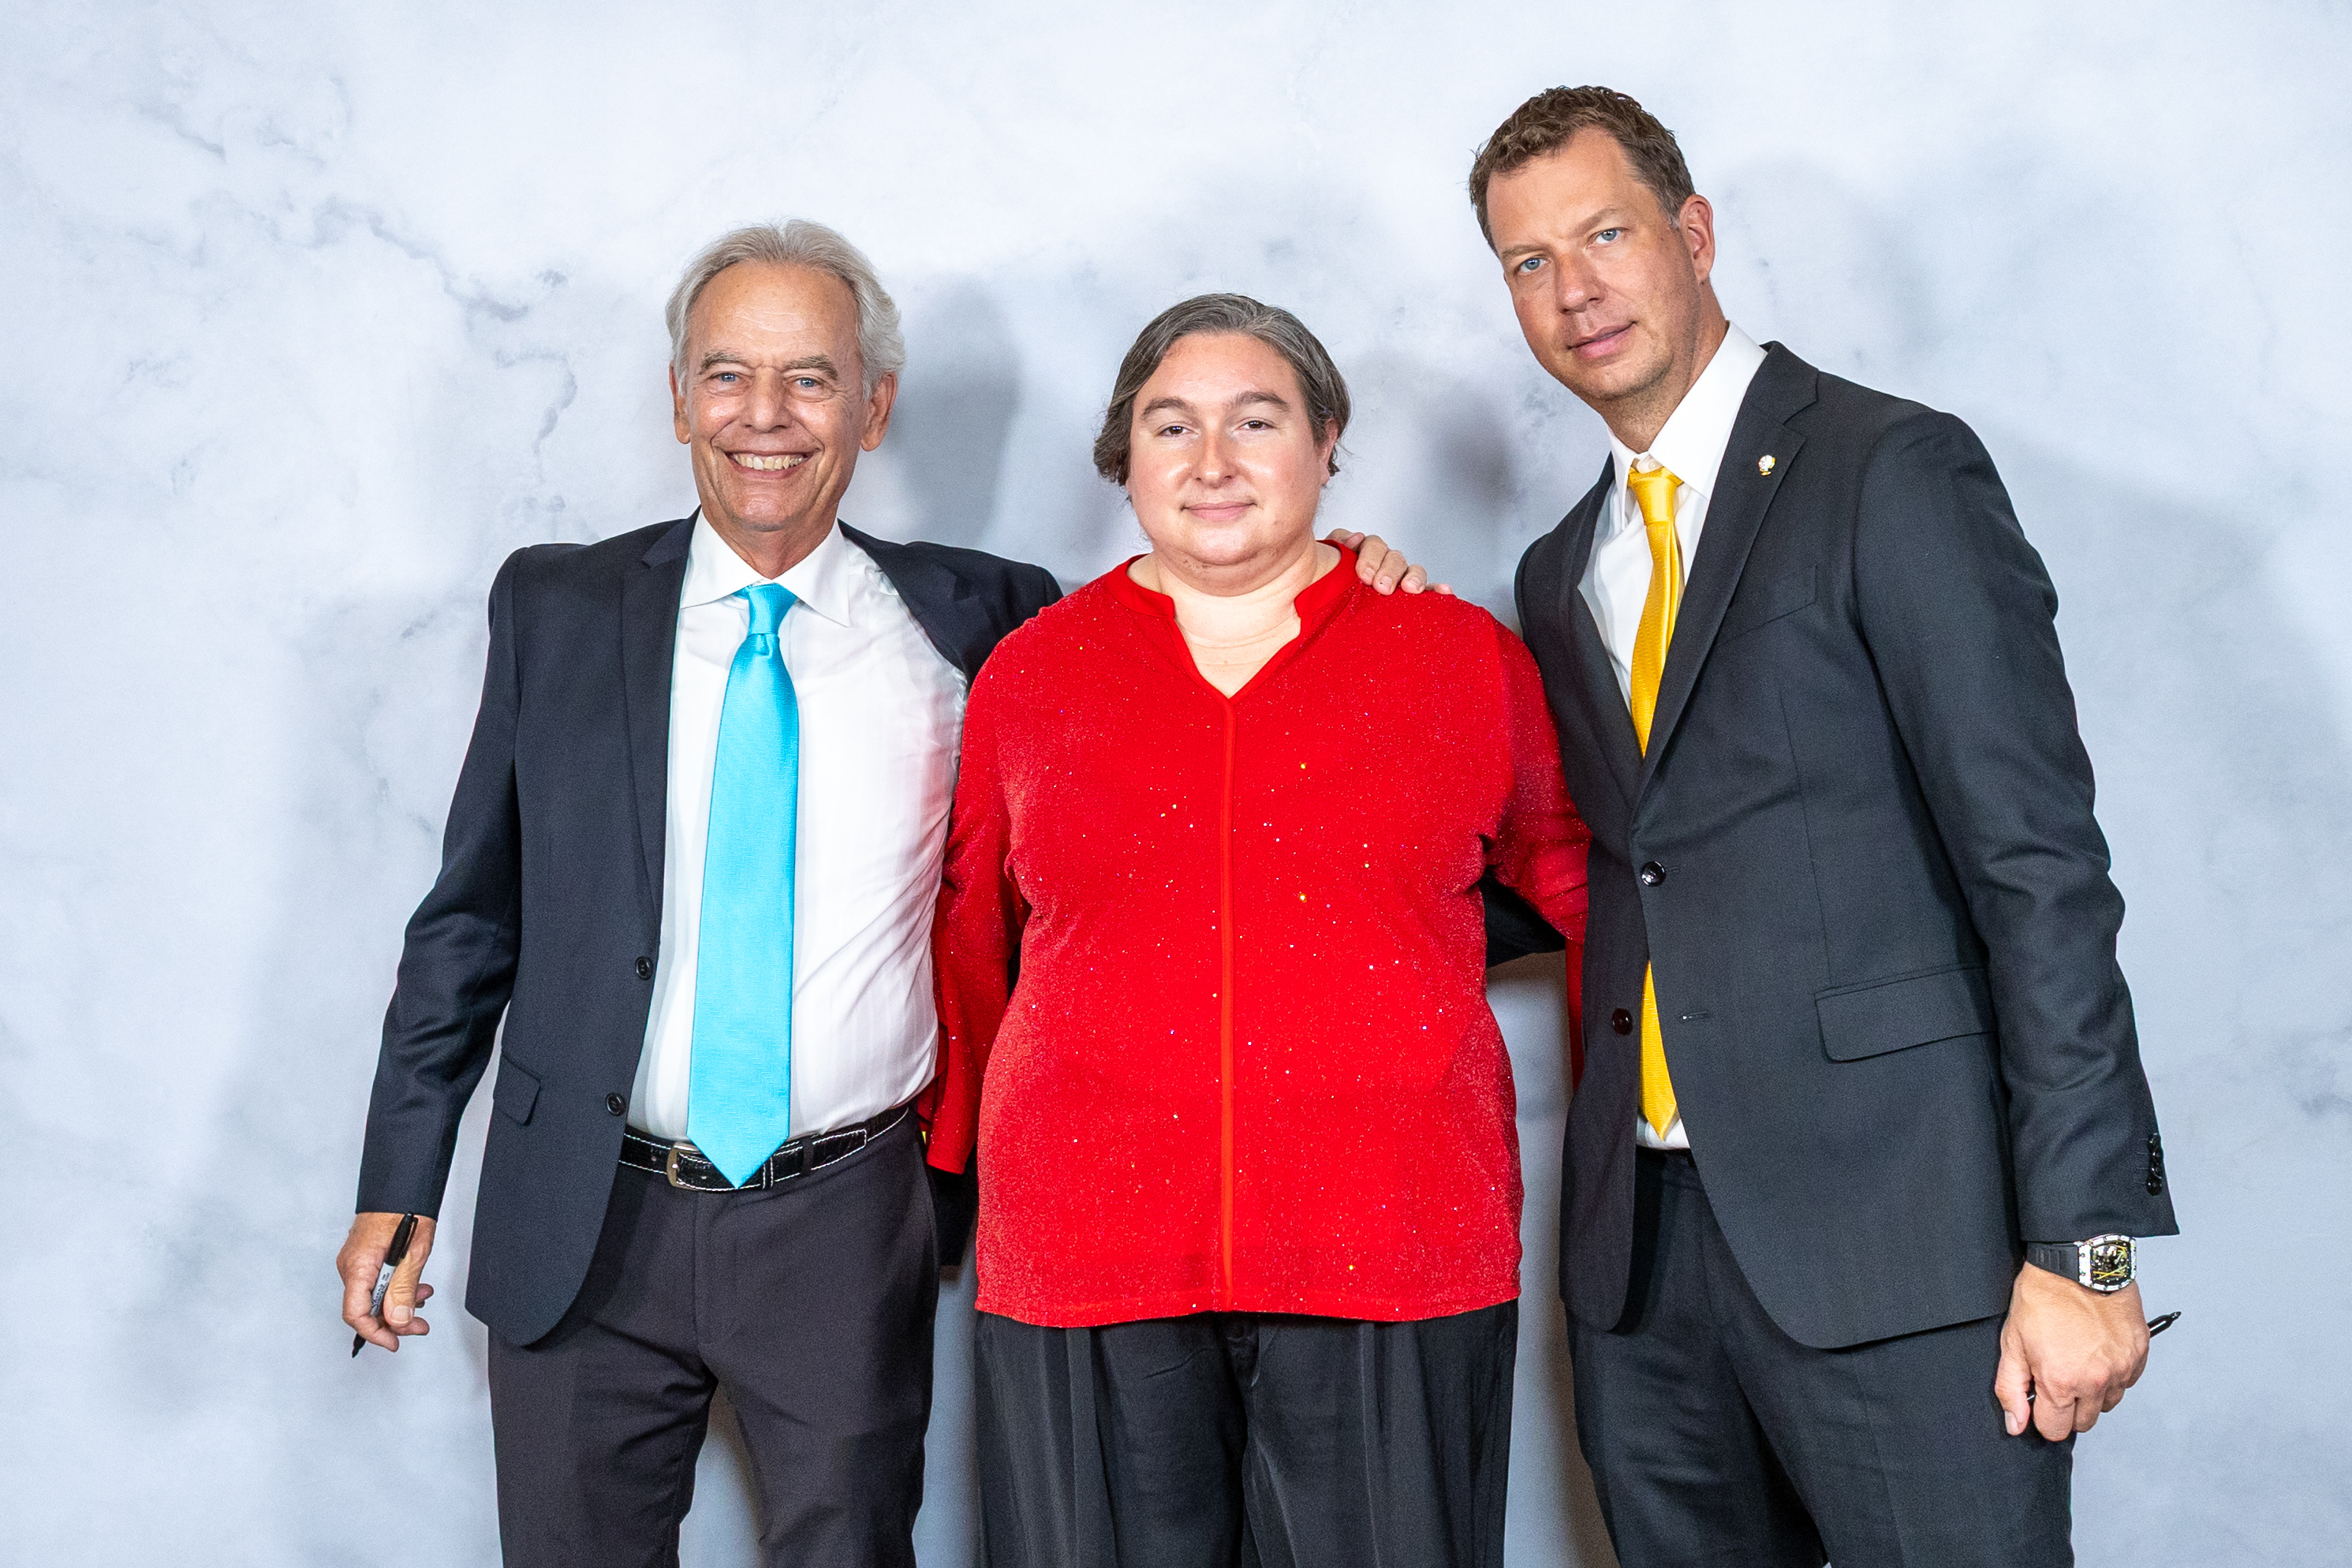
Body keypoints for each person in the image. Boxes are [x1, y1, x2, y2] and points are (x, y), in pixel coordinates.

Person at [334, 222, 1433, 1567]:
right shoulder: (557, 606)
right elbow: (469, 920)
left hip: (844, 1223)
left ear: (873, 405)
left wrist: (1336, 569)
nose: (765, 415)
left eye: (810, 377)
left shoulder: (990, 618)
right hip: (583, 1211)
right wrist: (399, 1179)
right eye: (727, 374)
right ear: (678, 398)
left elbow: (1195, 628)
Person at [1473, 87, 2180, 1566]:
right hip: (1644, 1276)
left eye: (1604, 236)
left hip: (1903, 1252)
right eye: (1529, 262)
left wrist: (2087, 1247)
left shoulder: (1889, 470)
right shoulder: (1557, 570)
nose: (1574, 289)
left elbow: (2038, 870)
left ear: (1692, 233)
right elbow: (1615, 865)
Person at [926, 293, 1591, 1568]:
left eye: (1256, 420)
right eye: (1171, 425)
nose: (1212, 461)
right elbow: (971, 941)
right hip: (1087, 1249)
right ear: (1125, 456)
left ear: (1326, 442)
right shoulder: (1033, 675)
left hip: (1390, 1242)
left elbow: (1584, 891)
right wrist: (949, 1177)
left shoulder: (1458, 658)